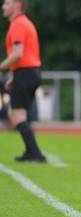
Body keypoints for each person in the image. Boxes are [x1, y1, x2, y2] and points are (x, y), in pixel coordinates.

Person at [1, 0, 45, 162]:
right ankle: (30, 152)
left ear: (17, 5)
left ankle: (36, 154)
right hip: (29, 73)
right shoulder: (24, 22)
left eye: (6, 4)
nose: (3, 7)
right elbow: (26, 55)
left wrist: (1, 67)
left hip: (25, 73)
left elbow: (18, 54)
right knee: (21, 116)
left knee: (17, 116)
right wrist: (14, 75)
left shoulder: (18, 24)